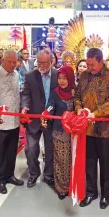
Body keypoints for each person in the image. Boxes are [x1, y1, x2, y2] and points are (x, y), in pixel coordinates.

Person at [74, 48, 109, 209]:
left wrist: (95, 113)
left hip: (105, 129)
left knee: (105, 163)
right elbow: (77, 96)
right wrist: (79, 109)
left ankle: (105, 196)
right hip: (86, 128)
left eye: (92, 64)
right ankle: (91, 192)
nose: (89, 67)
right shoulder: (84, 75)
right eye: (88, 64)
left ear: (101, 61)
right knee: (90, 162)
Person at [0, 50, 24, 194]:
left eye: (14, 62)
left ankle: (9, 175)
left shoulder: (16, 75)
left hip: (14, 121)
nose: (12, 64)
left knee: (11, 151)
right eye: (9, 61)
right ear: (3, 60)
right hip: (0, 122)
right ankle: (0, 180)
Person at [21, 49, 58, 189]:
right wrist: (24, 107)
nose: (41, 65)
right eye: (39, 62)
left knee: (50, 148)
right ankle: (33, 173)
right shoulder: (30, 76)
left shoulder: (57, 75)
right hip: (34, 119)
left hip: (51, 119)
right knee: (31, 148)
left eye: (45, 63)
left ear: (51, 62)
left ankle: (48, 174)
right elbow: (26, 95)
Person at [45, 66, 75, 200]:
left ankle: (73, 185)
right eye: (59, 78)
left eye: (65, 78)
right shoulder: (55, 92)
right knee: (61, 160)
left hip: (75, 133)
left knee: (72, 160)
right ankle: (61, 188)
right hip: (60, 132)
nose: (62, 81)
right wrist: (45, 114)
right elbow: (50, 107)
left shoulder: (76, 92)